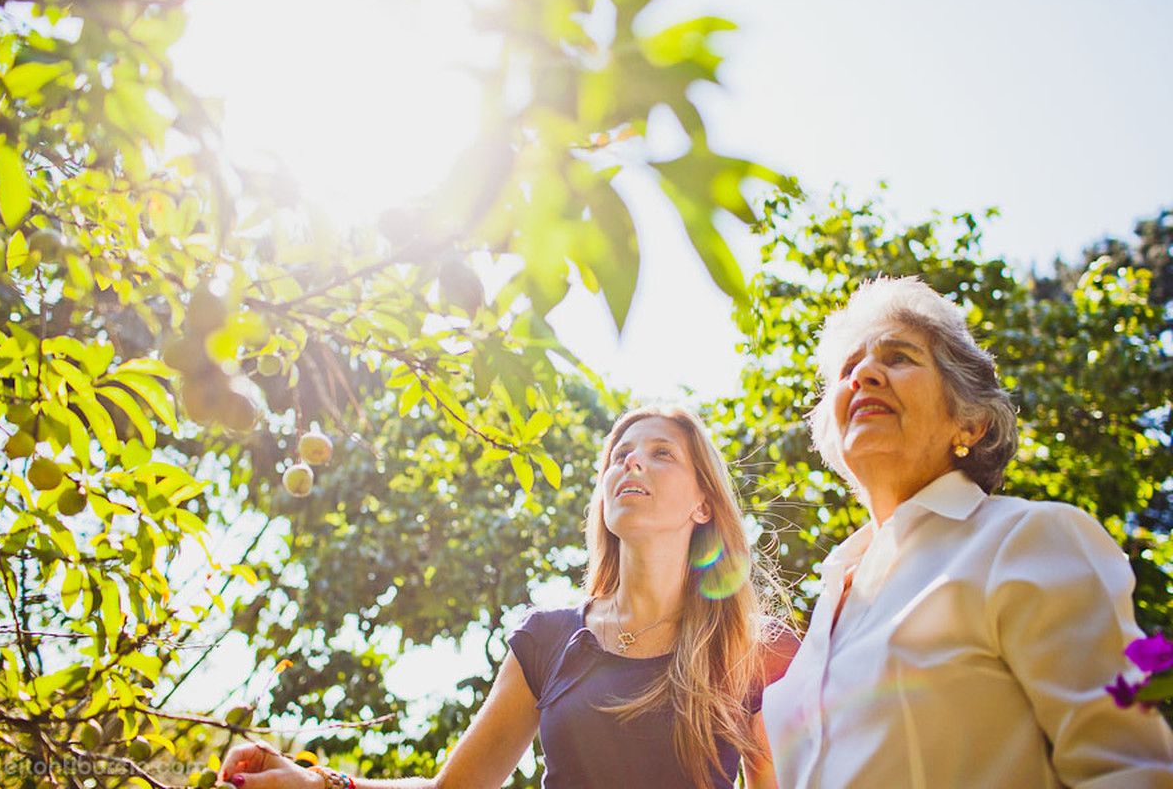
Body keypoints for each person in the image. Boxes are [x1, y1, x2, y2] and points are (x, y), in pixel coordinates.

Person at [221, 405, 798, 789]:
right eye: (620, 452)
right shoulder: (546, 639)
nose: (631, 460)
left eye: (661, 452)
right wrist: (318, 781)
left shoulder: (753, 651)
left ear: (704, 504)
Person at [762, 276, 1173, 787]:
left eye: (899, 357)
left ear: (970, 420)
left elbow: (1128, 769)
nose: (864, 374)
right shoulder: (831, 591)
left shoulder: (1027, 539)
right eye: (849, 367)